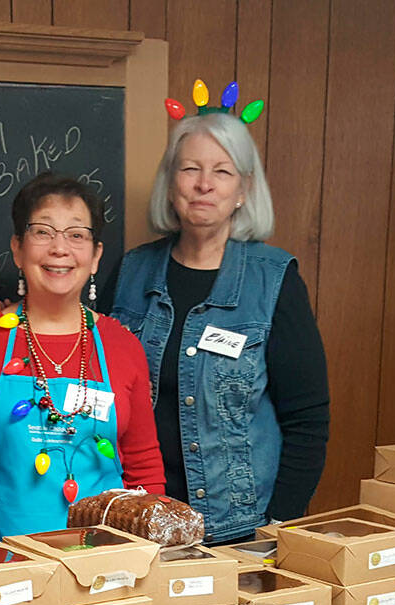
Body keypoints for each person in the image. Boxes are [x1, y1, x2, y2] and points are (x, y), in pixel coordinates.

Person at [103, 112, 329, 542]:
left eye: (222, 171)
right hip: (137, 525)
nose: (204, 184)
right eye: (190, 168)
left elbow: (307, 420)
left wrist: (277, 523)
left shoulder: (274, 279)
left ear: (243, 189)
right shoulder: (132, 273)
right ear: (170, 184)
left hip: (240, 531)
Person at [0, 172, 164, 542]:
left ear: (95, 256)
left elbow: (144, 467)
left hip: (102, 565)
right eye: (43, 232)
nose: (60, 249)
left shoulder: (122, 346)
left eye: (76, 235)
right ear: (17, 248)